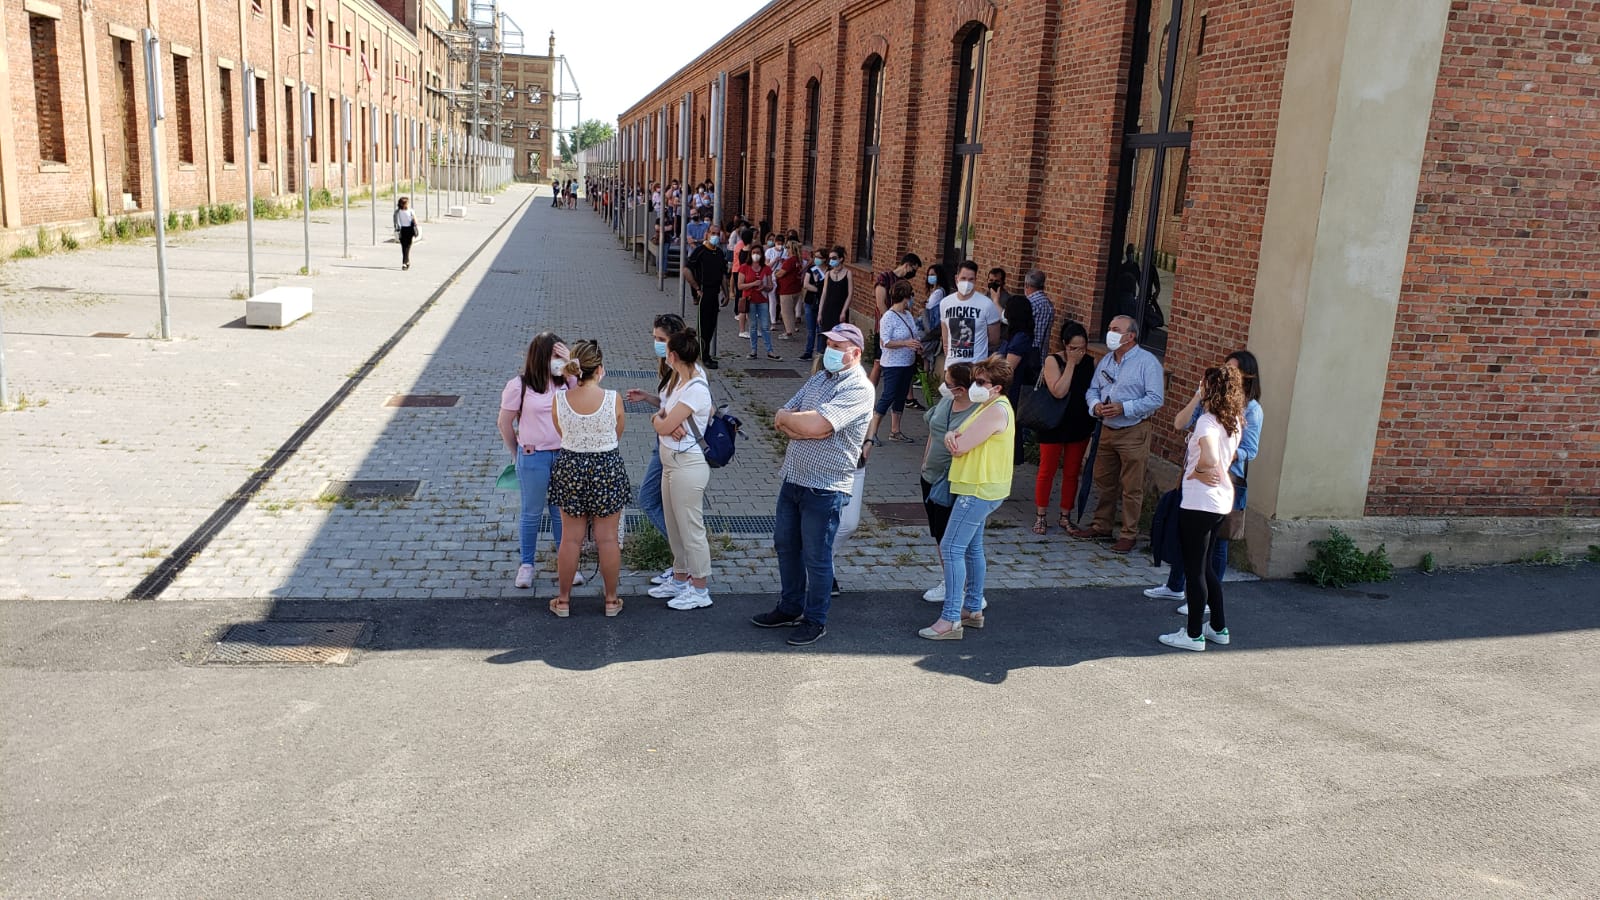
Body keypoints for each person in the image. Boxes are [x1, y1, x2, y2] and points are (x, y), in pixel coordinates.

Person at [751, 324, 874, 646]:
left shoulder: (859, 388)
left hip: (825, 486)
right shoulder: (821, 378)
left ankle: (815, 619)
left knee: (817, 557)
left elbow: (820, 424)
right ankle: (790, 606)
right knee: (786, 545)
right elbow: (782, 416)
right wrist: (805, 427)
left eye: (836, 345)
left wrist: (809, 425)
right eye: (828, 344)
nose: (829, 350)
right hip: (794, 478)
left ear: (855, 353)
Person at [1146, 351, 1264, 607]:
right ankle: (1175, 586)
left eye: (1232, 370)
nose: (1226, 374)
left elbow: (1249, 451)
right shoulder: (1210, 402)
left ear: (1247, 376)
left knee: (1216, 542)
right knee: (1186, 532)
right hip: (1193, 476)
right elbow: (1180, 422)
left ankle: (1204, 600)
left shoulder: (1251, 409)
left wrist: (1219, 454)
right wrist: (1198, 395)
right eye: (1225, 369)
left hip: (1226, 479)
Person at [919, 356, 1015, 640]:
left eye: (981, 382)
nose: (975, 386)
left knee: (950, 548)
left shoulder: (996, 410)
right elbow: (956, 436)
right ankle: (972, 608)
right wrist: (952, 436)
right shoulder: (987, 407)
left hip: (978, 488)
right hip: (975, 486)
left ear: (997, 387)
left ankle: (950, 619)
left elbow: (958, 445)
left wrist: (953, 438)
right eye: (974, 380)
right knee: (972, 548)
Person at [1159, 366, 1246, 652]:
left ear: (1211, 388)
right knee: (1206, 566)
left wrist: (1196, 471)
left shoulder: (1208, 423)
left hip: (1199, 502)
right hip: (1220, 501)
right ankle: (1218, 627)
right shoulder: (1232, 419)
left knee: (1195, 569)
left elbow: (1208, 459)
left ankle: (1194, 633)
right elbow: (1179, 423)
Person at [1068, 315, 1165, 553]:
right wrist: (1095, 406)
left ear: (1130, 336)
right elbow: (1093, 389)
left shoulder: (1147, 362)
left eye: (1115, 329)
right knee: (1104, 480)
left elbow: (1155, 399)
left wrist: (1125, 407)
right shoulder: (1107, 361)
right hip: (1107, 428)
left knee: (1132, 486)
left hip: (1133, 430)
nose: (1110, 332)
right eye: (1109, 327)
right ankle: (1102, 524)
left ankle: (1128, 533)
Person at [548, 340, 630, 618]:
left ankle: (563, 601)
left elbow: (561, 432)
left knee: (570, 539)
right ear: (600, 369)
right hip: (606, 466)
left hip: (570, 465)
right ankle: (610, 600)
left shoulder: (560, 399)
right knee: (607, 539)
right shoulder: (613, 398)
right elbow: (617, 432)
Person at [497, 332, 576, 590]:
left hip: (563, 454)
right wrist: (516, 451)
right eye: (554, 356)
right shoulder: (519, 385)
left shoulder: (565, 381)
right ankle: (527, 565)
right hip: (533, 456)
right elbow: (505, 423)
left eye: (560, 356)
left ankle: (566, 564)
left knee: (560, 512)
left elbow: (587, 391)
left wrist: (571, 362)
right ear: (541, 356)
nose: (557, 361)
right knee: (532, 512)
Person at [646, 329, 717, 611]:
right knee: (675, 526)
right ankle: (679, 578)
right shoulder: (679, 381)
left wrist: (658, 418)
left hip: (688, 464)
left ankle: (700, 589)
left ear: (673, 356)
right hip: (671, 461)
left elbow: (662, 424)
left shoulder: (696, 388)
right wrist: (662, 417)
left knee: (691, 528)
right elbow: (664, 415)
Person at [625, 313, 689, 589]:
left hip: (675, 448)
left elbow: (696, 406)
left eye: (661, 339)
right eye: (654, 338)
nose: (657, 344)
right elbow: (667, 405)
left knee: (648, 499)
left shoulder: (685, 368)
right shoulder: (667, 366)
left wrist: (667, 421)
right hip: (663, 444)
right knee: (665, 505)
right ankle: (682, 564)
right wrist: (649, 398)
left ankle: (684, 561)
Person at [918, 363, 981, 605]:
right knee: (938, 533)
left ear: (962, 389)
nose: (944, 386)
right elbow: (933, 430)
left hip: (954, 481)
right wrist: (924, 462)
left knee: (953, 539)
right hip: (931, 477)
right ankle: (950, 580)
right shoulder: (946, 402)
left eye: (949, 383)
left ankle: (960, 587)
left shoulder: (978, 414)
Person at [1031, 322, 1096, 534]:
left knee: (1072, 472)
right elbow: (1058, 391)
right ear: (1065, 345)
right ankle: (1041, 515)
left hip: (1079, 424)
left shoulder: (1090, 363)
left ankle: (1065, 515)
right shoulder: (1053, 360)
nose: (1079, 352)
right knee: (1047, 470)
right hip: (1053, 423)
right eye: (1073, 348)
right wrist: (1070, 364)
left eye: (1082, 348)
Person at [866, 280, 923, 445]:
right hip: (892, 363)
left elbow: (914, 335)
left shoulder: (908, 314)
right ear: (905, 297)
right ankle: (872, 432)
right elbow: (885, 342)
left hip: (908, 362)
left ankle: (895, 430)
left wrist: (917, 345)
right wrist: (905, 344)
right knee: (888, 395)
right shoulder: (889, 317)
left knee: (900, 396)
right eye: (911, 296)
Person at [940, 260, 1002, 366]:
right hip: (952, 367)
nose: (967, 282)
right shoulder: (945, 303)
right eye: (963, 278)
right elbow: (945, 339)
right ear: (956, 279)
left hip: (976, 368)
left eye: (971, 279)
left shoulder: (987, 304)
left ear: (975, 280)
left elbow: (994, 340)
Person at [872, 253, 922, 385]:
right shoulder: (884, 278)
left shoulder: (905, 283)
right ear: (907, 265)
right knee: (878, 363)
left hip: (902, 330)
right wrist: (891, 319)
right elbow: (880, 303)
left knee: (907, 364)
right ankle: (868, 395)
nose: (914, 273)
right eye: (914, 269)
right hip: (885, 327)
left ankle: (908, 396)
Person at [683, 225, 728, 369]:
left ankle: (705, 353)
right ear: (707, 234)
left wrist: (726, 293)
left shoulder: (720, 253)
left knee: (711, 326)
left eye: (717, 233)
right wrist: (697, 288)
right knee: (703, 326)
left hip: (714, 293)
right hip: (704, 291)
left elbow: (722, 275)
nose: (715, 236)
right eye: (712, 233)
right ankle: (703, 356)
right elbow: (686, 270)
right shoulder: (700, 251)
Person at [736, 247, 779, 360]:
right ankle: (753, 350)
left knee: (765, 326)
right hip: (749, 300)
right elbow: (740, 285)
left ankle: (770, 351)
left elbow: (770, 287)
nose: (756, 255)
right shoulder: (744, 268)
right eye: (754, 252)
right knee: (753, 326)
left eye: (758, 253)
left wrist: (764, 287)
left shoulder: (766, 269)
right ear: (750, 254)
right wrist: (753, 284)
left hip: (762, 300)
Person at [816, 244, 854, 341]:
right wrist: (820, 313)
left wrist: (843, 311)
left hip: (840, 309)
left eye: (834, 258)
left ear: (840, 259)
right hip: (827, 309)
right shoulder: (828, 274)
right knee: (827, 337)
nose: (831, 260)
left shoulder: (848, 273)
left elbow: (850, 294)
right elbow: (824, 294)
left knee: (840, 338)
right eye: (830, 258)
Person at [1023, 270, 1056, 372]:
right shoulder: (1049, 304)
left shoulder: (1029, 303)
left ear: (1027, 285)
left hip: (1026, 352)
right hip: (1041, 354)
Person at [775, 239, 805, 340]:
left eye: (787, 247)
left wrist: (776, 273)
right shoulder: (798, 260)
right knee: (790, 311)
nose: (785, 249)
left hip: (787, 290)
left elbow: (781, 273)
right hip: (795, 289)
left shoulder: (790, 261)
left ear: (791, 249)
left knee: (786, 312)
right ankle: (790, 330)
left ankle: (789, 333)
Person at [799, 245, 825, 361]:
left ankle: (819, 353)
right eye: (815, 257)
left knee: (820, 329)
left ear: (825, 259)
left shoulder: (829, 271)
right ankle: (808, 351)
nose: (816, 259)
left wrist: (816, 286)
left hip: (822, 304)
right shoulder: (812, 269)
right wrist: (818, 289)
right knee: (810, 329)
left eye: (819, 257)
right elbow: (806, 285)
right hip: (810, 301)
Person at [393, 197, 418, 271]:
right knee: (404, 246)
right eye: (407, 203)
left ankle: (405, 262)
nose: (407, 204)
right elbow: (395, 220)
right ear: (403, 204)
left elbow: (416, 221)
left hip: (409, 230)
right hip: (403, 229)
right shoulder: (400, 211)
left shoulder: (408, 211)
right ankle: (406, 262)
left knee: (407, 246)